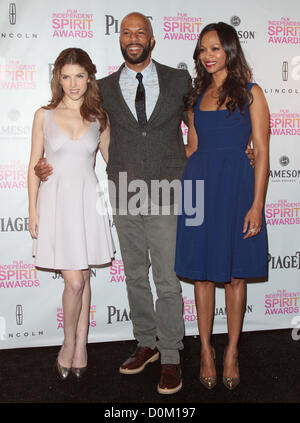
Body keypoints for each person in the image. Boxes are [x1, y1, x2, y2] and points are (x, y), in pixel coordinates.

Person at [34, 13, 255, 394]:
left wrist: (236, 149)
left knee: (167, 279)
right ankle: (146, 343)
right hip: (124, 191)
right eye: (127, 32)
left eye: (141, 32)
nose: (133, 38)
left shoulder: (179, 79)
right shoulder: (100, 87)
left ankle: (170, 355)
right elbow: (85, 135)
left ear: (152, 39)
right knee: (135, 276)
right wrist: (45, 165)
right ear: (119, 39)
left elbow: (200, 123)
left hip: (170, 191)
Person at [175, 22, 269, 390]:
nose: (207, 55)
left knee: (234, 276)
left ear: (229, 50)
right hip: (198, 188)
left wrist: (257, 204)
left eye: (214, 48)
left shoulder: (252, 93)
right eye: (202, 49)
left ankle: (231, 350)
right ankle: (205, 350)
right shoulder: (197, 95)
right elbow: (193, 148)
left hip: (237, 189)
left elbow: (260, 150)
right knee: (201, 274)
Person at [27, 48, 115, 380]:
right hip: (56, 203)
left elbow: (114, 161)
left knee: (84, 276)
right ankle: (68, 344)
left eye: (79, 76)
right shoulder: (43, 115)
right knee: (75, 280)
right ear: (58, 78)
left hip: (87, 200)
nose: (73, 83)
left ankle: (81, 347)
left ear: (89, 77)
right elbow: (34, 165)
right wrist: (32, 209)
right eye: (66, 76)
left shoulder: (100, 117)